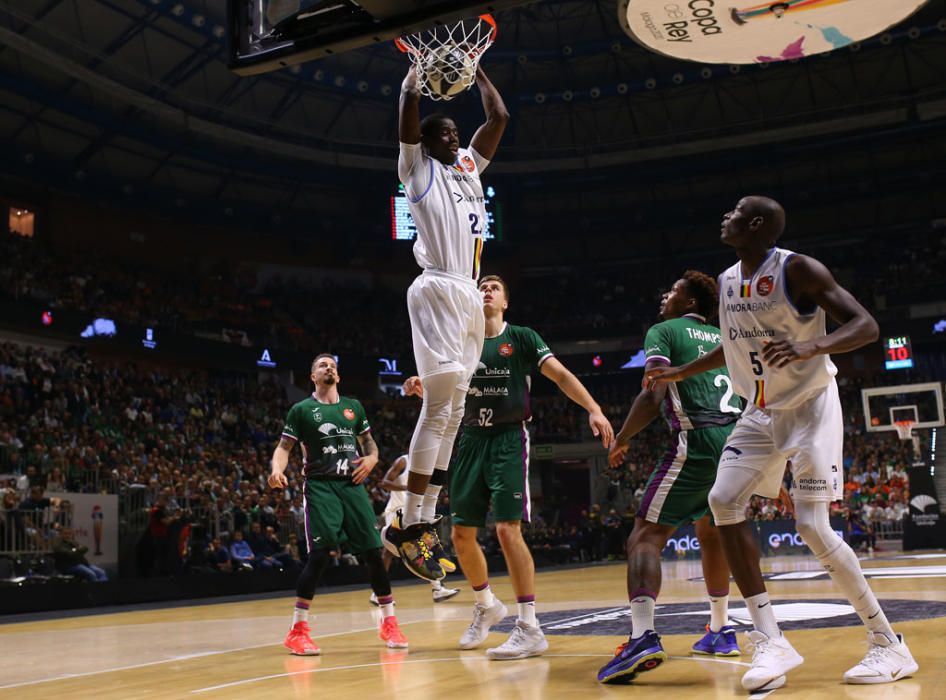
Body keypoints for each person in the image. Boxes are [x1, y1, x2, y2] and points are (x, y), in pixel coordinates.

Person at [646, 196, 918, 690]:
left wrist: (811, 344)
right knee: (722, 500)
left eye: (733, 211)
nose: (724, 216)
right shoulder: (728, 280)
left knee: (812, 527)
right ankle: (771, 640)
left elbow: (867, 326)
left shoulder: (798, 269)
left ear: (755, 224)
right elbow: (734, 352)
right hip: (760, 409)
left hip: (812, 405)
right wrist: (682, 371)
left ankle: (888, 643)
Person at [403, 275, 614, 660]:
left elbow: (562, 375)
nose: (486, 290)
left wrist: (594, 409)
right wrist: (425, 383)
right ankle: (485, 604)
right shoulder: (459, 340)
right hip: (467, 440)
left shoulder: (521, 338)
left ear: (506, 303)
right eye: (481, 286)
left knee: (506, 528)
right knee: (462, 536)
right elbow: (446, 386)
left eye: (494, 288)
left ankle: (529, 625)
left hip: (507, 439)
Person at [382, 63, 509, 582]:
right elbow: (409, 123)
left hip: (467, 294)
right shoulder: (416, 168)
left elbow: (499, 115)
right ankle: (406, 521)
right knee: (439, 406)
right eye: (444, 133)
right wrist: (412, 83)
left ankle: (425, 515)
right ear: (427, 142)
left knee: (457, 409)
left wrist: (478, 73)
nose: (454, 137)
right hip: (436, 285)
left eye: (457, 132)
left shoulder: (467, 170)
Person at [597, 271, 743, 684]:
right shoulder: (724, 336)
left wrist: (622, 437)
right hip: (735, 443)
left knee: (644, 537)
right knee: (710, 532)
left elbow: (654, 391)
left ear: (691, 303)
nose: (666, 294)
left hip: (696, 441)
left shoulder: (663, 330)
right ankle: (720, 629)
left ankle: (642, 635)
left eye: (675, 290)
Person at [269, 353, 408, 655]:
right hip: (321, 486)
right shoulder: (302, 410)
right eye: (322, 365)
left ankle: (389, 622)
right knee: (320, 555)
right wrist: (277, 469)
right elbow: (284, 448)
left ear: (338, 377)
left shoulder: (353, 407)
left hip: (353, 486)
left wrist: (372, 459)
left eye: (332, 365)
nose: (328, 367)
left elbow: (369, 444)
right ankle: (298, 630)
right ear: (313, 376)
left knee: (373, 553)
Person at [370, 454, 461, 606]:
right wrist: (407, 488)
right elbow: (384, 483)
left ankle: (437, 588)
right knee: (399, 551)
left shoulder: (427, 464)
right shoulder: (403, 461)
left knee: (412, 549)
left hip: (413, 511)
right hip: (397, 510)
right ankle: (378, 592)